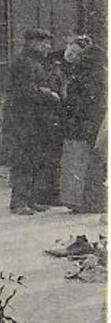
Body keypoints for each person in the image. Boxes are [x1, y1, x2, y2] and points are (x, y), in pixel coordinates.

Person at [1, 28, 65, 215]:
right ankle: (19, 202)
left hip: (33, 118)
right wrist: (48, 93)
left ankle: (30, 199)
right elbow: (26, 91)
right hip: (22, 118)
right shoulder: (23, 62)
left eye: (48, 43)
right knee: (22, 160)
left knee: (34, 158)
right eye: (43, 43)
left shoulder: (34, 61)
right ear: (32, 43)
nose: (47, 46)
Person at [59, 35, 106, 214]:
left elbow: (75, 101)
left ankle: (79, 201)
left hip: (81, 123)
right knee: (90, 162)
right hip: (91, 122)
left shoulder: (81, 76)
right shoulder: (99, 73)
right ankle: (89, 201)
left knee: (78, 162)